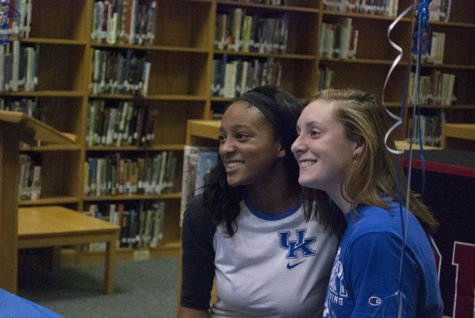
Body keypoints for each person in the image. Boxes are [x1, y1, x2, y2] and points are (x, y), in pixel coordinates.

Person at [177, 85, 339, 318]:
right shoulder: (207, 210)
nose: (225, 148)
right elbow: (193, 305)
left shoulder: (327, 208)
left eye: (241, 136)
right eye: (222, 138)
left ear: (282, 144)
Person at [291, 88, 444, 317]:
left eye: (314, 133)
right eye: (298, 133)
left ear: (358, 144)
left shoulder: (377, 235)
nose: (296, 145)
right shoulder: (363, 219)